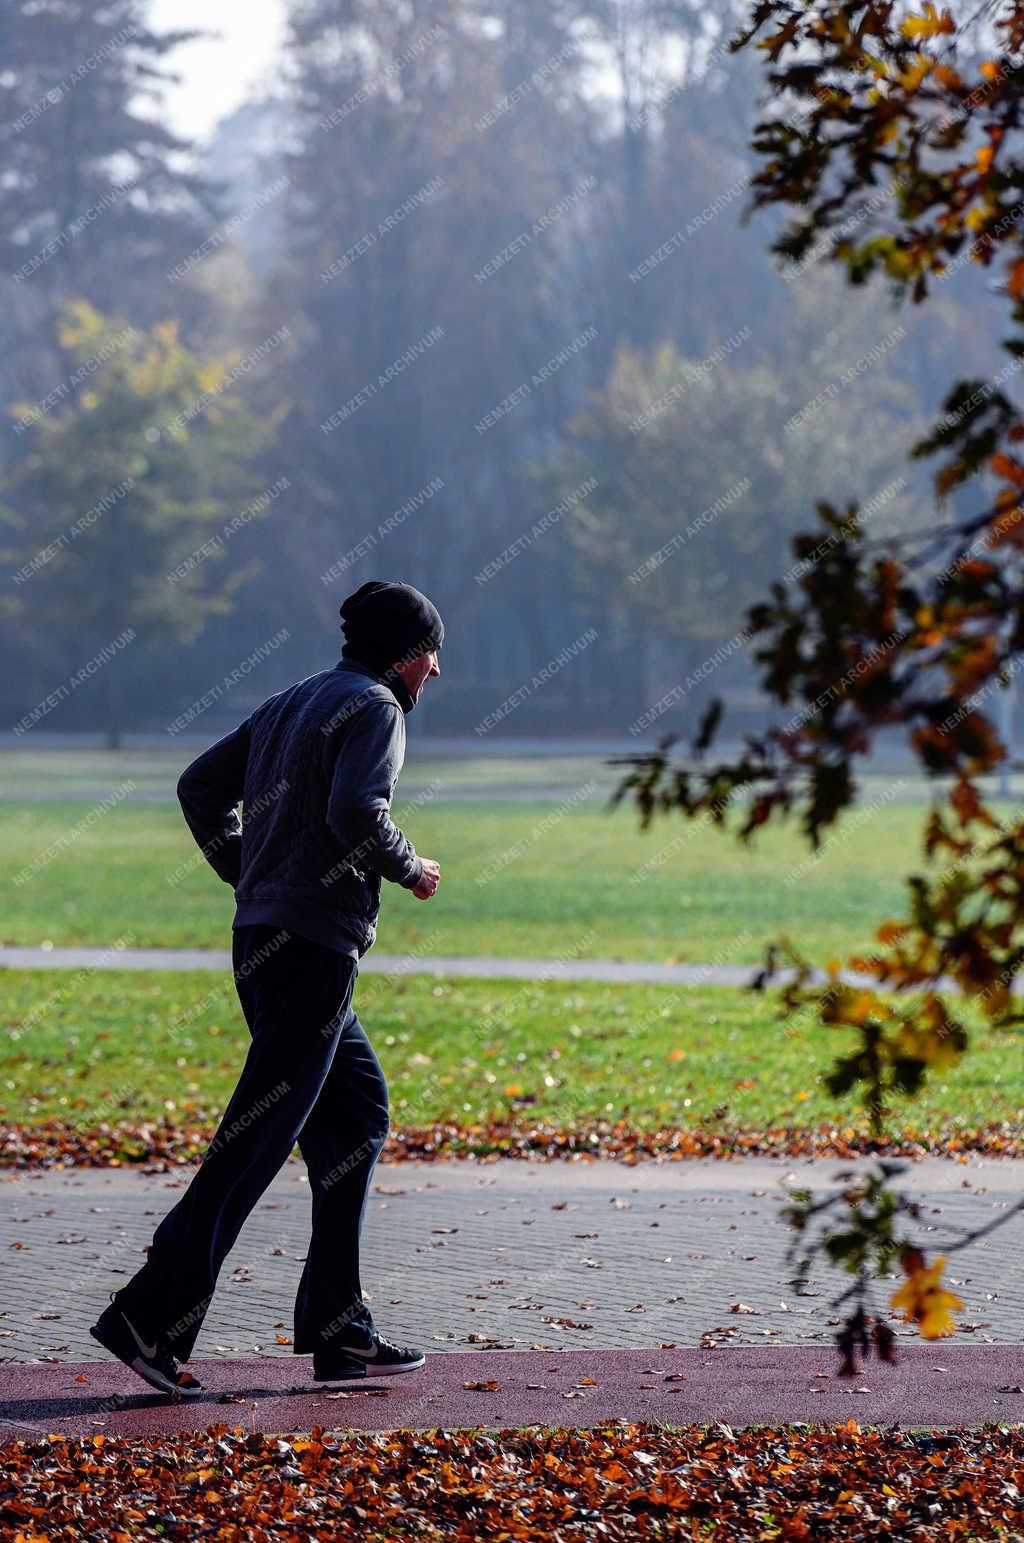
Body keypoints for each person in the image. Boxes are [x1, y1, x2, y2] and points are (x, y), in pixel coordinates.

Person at [90, 580, 444, 1397]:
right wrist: (412, 868)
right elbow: (359, 809)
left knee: (355, 1113)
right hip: (314, 949)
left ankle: (338, 1329)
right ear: (405, 653)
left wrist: (246, 873)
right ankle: (150, 1316)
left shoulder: (294, 700)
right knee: (253, 1140)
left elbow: (198, 788)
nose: (436, 669)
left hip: (263, 938)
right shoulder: (377, 707)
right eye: (432, 651)